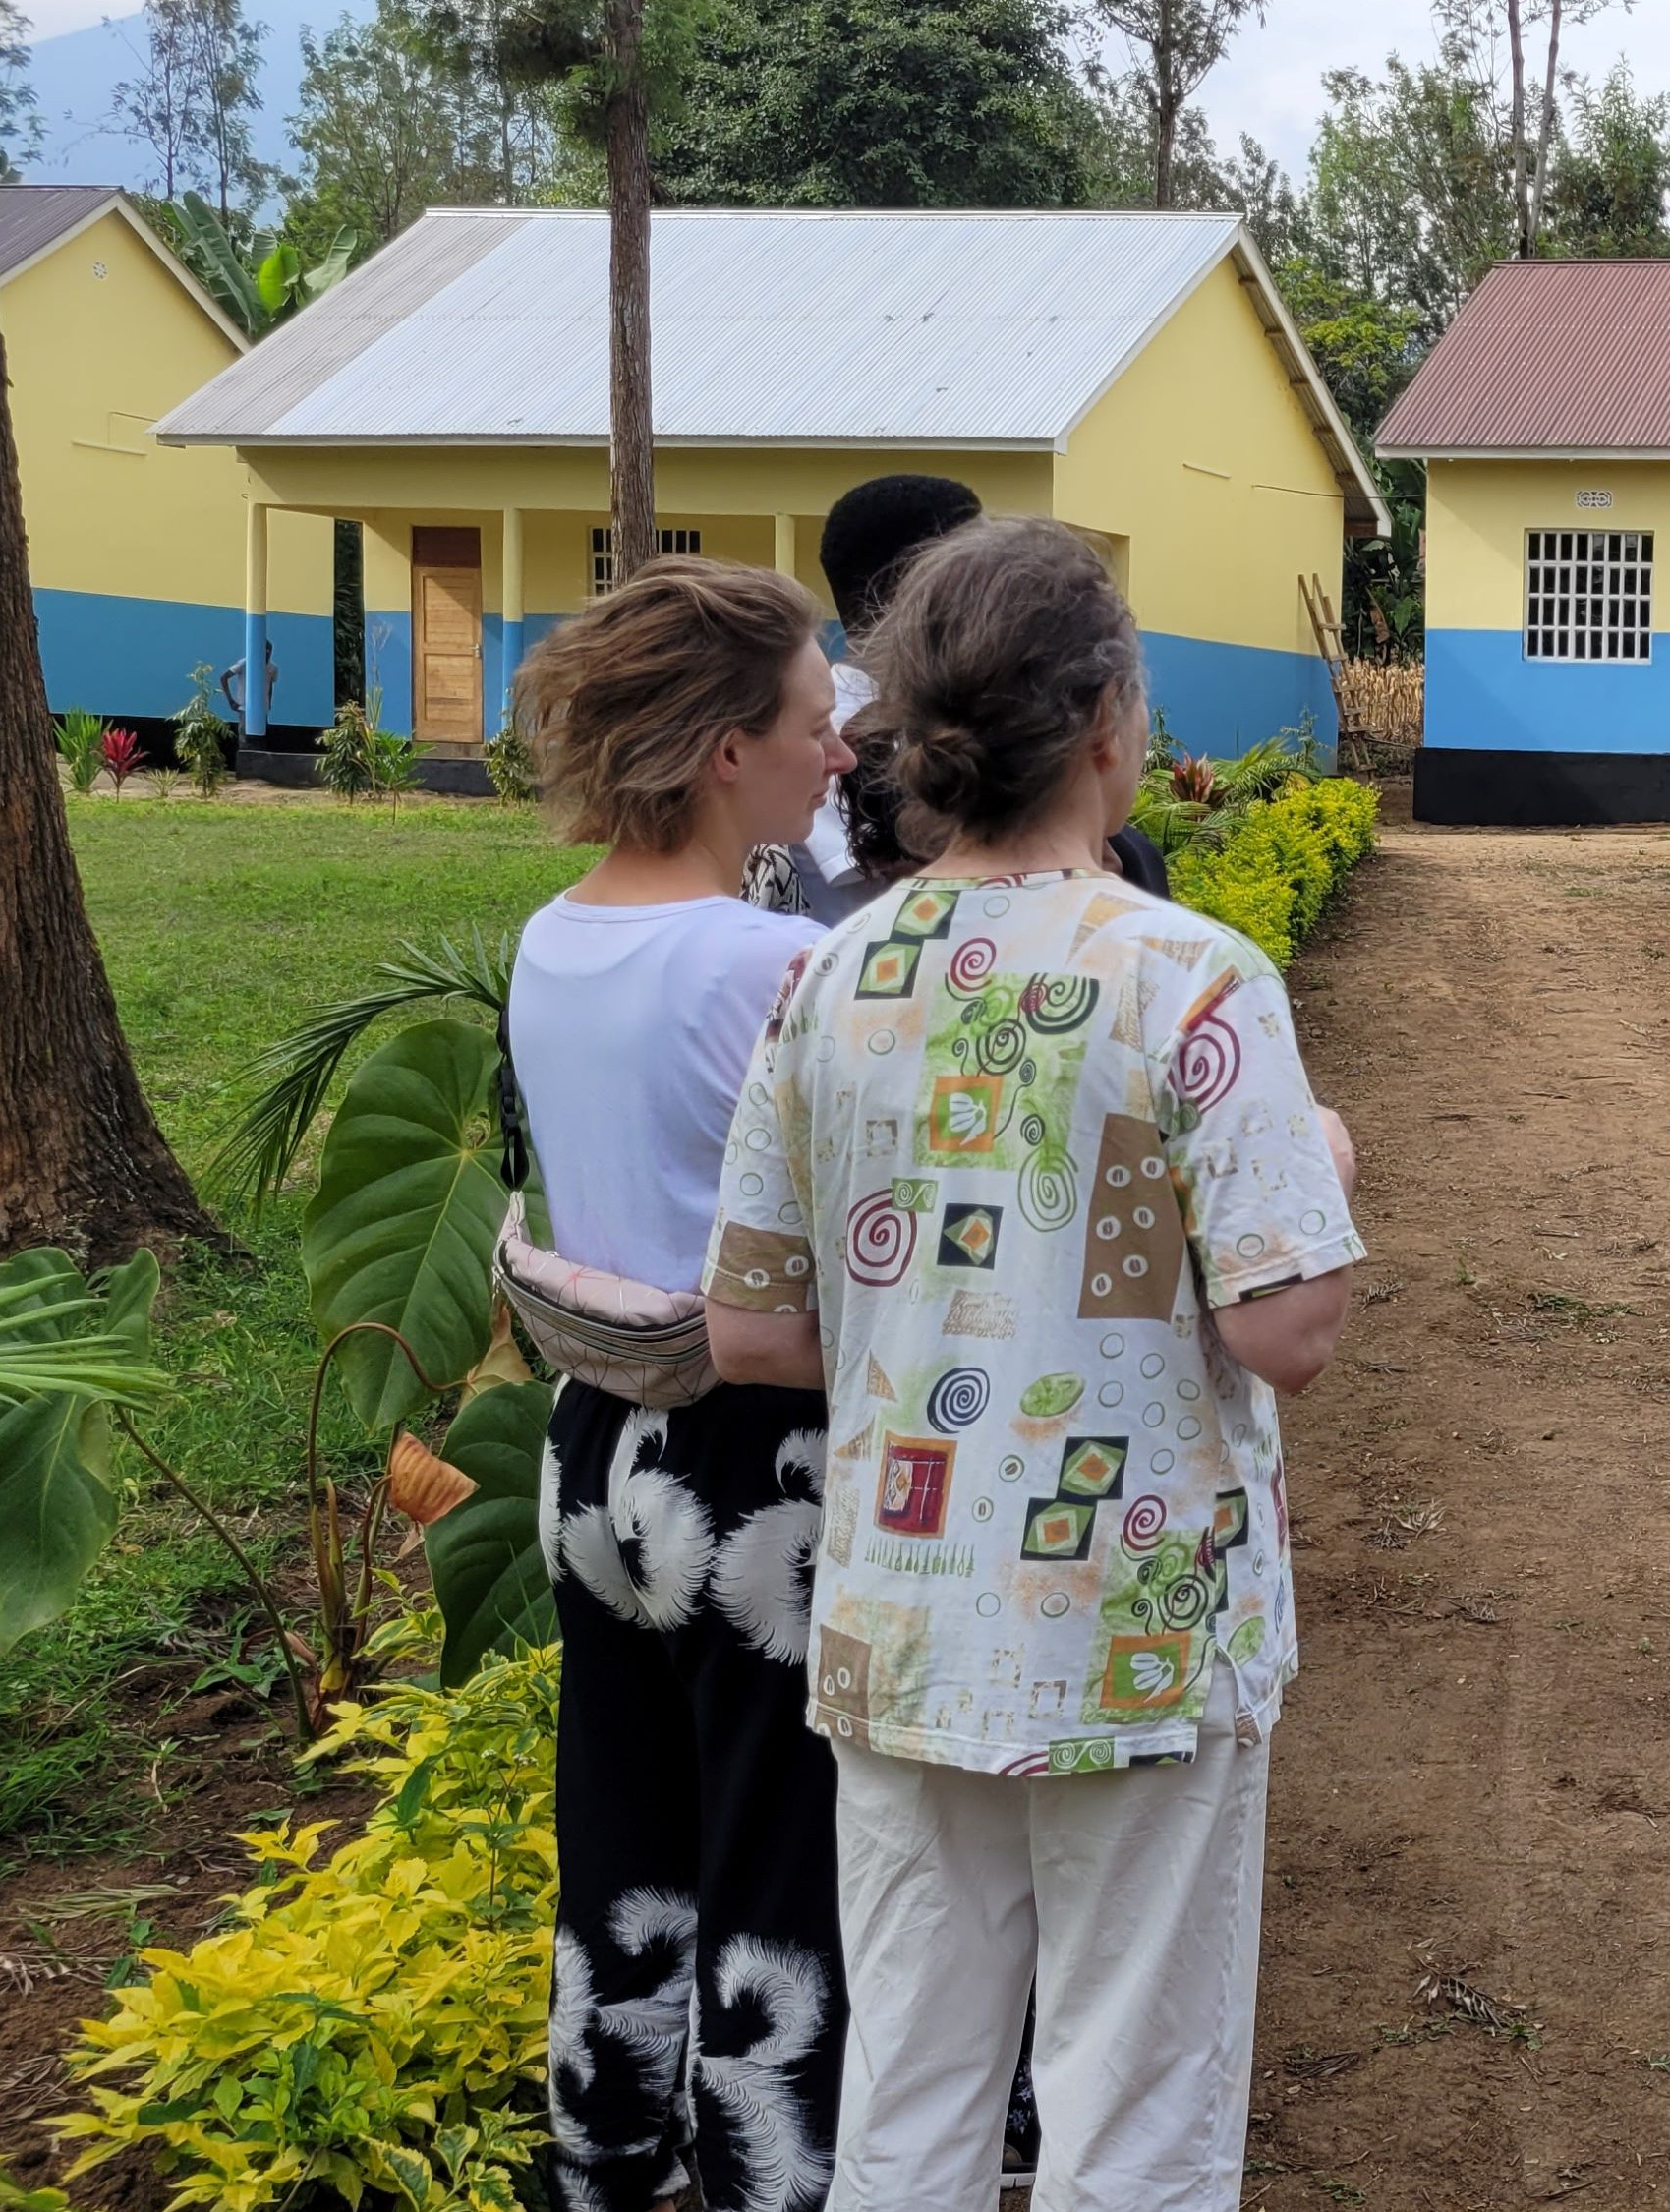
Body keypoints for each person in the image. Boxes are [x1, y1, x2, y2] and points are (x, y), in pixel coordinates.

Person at [701, 516, 1362, 2212]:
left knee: (912, 2099)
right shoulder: (1190, 977)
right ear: (1107, 727)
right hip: (1137, 1624)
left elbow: (754, 1328)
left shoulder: (831, 978)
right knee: (1131, 2110)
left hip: (905, 1614)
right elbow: (1286, 1330)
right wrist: (1321, 1178)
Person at [503, 556, 855, 2212]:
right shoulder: (767, 969)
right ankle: (769, 2186)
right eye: (814, 720)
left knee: (622, 1855)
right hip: (756, 1474)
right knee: (778, 1877)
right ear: (730, 750)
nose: (840, 754)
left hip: (586, 1449)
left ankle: (602, 2167)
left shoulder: (551, 936)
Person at [801, 475, 1169, 925]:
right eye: (974, 572)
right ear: (923, 590)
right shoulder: (833, 739)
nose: (997, 586)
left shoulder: (982, 704)